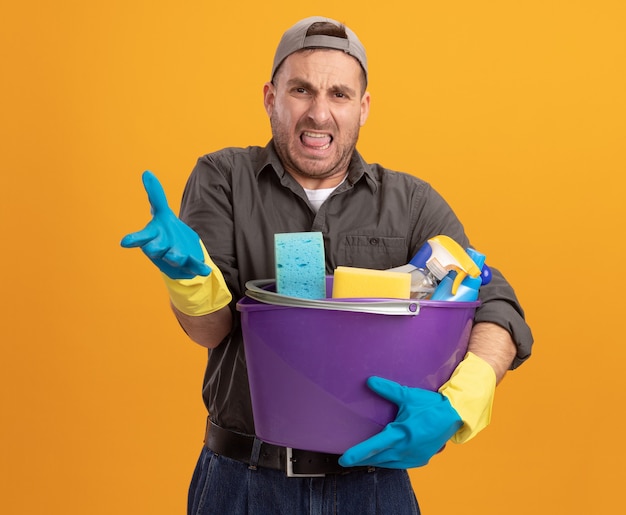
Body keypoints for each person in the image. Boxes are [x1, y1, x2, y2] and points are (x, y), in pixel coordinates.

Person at [121, 16, 533, 515]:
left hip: (372, 486)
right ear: (271, 97)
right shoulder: (223, 178)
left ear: (363, 107)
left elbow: (495, 303)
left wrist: (459, 405)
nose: (319, 113)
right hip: (243, 482)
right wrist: (187, 276)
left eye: (339, 94)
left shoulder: (410, 203)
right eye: (301, 89)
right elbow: (211, 331)